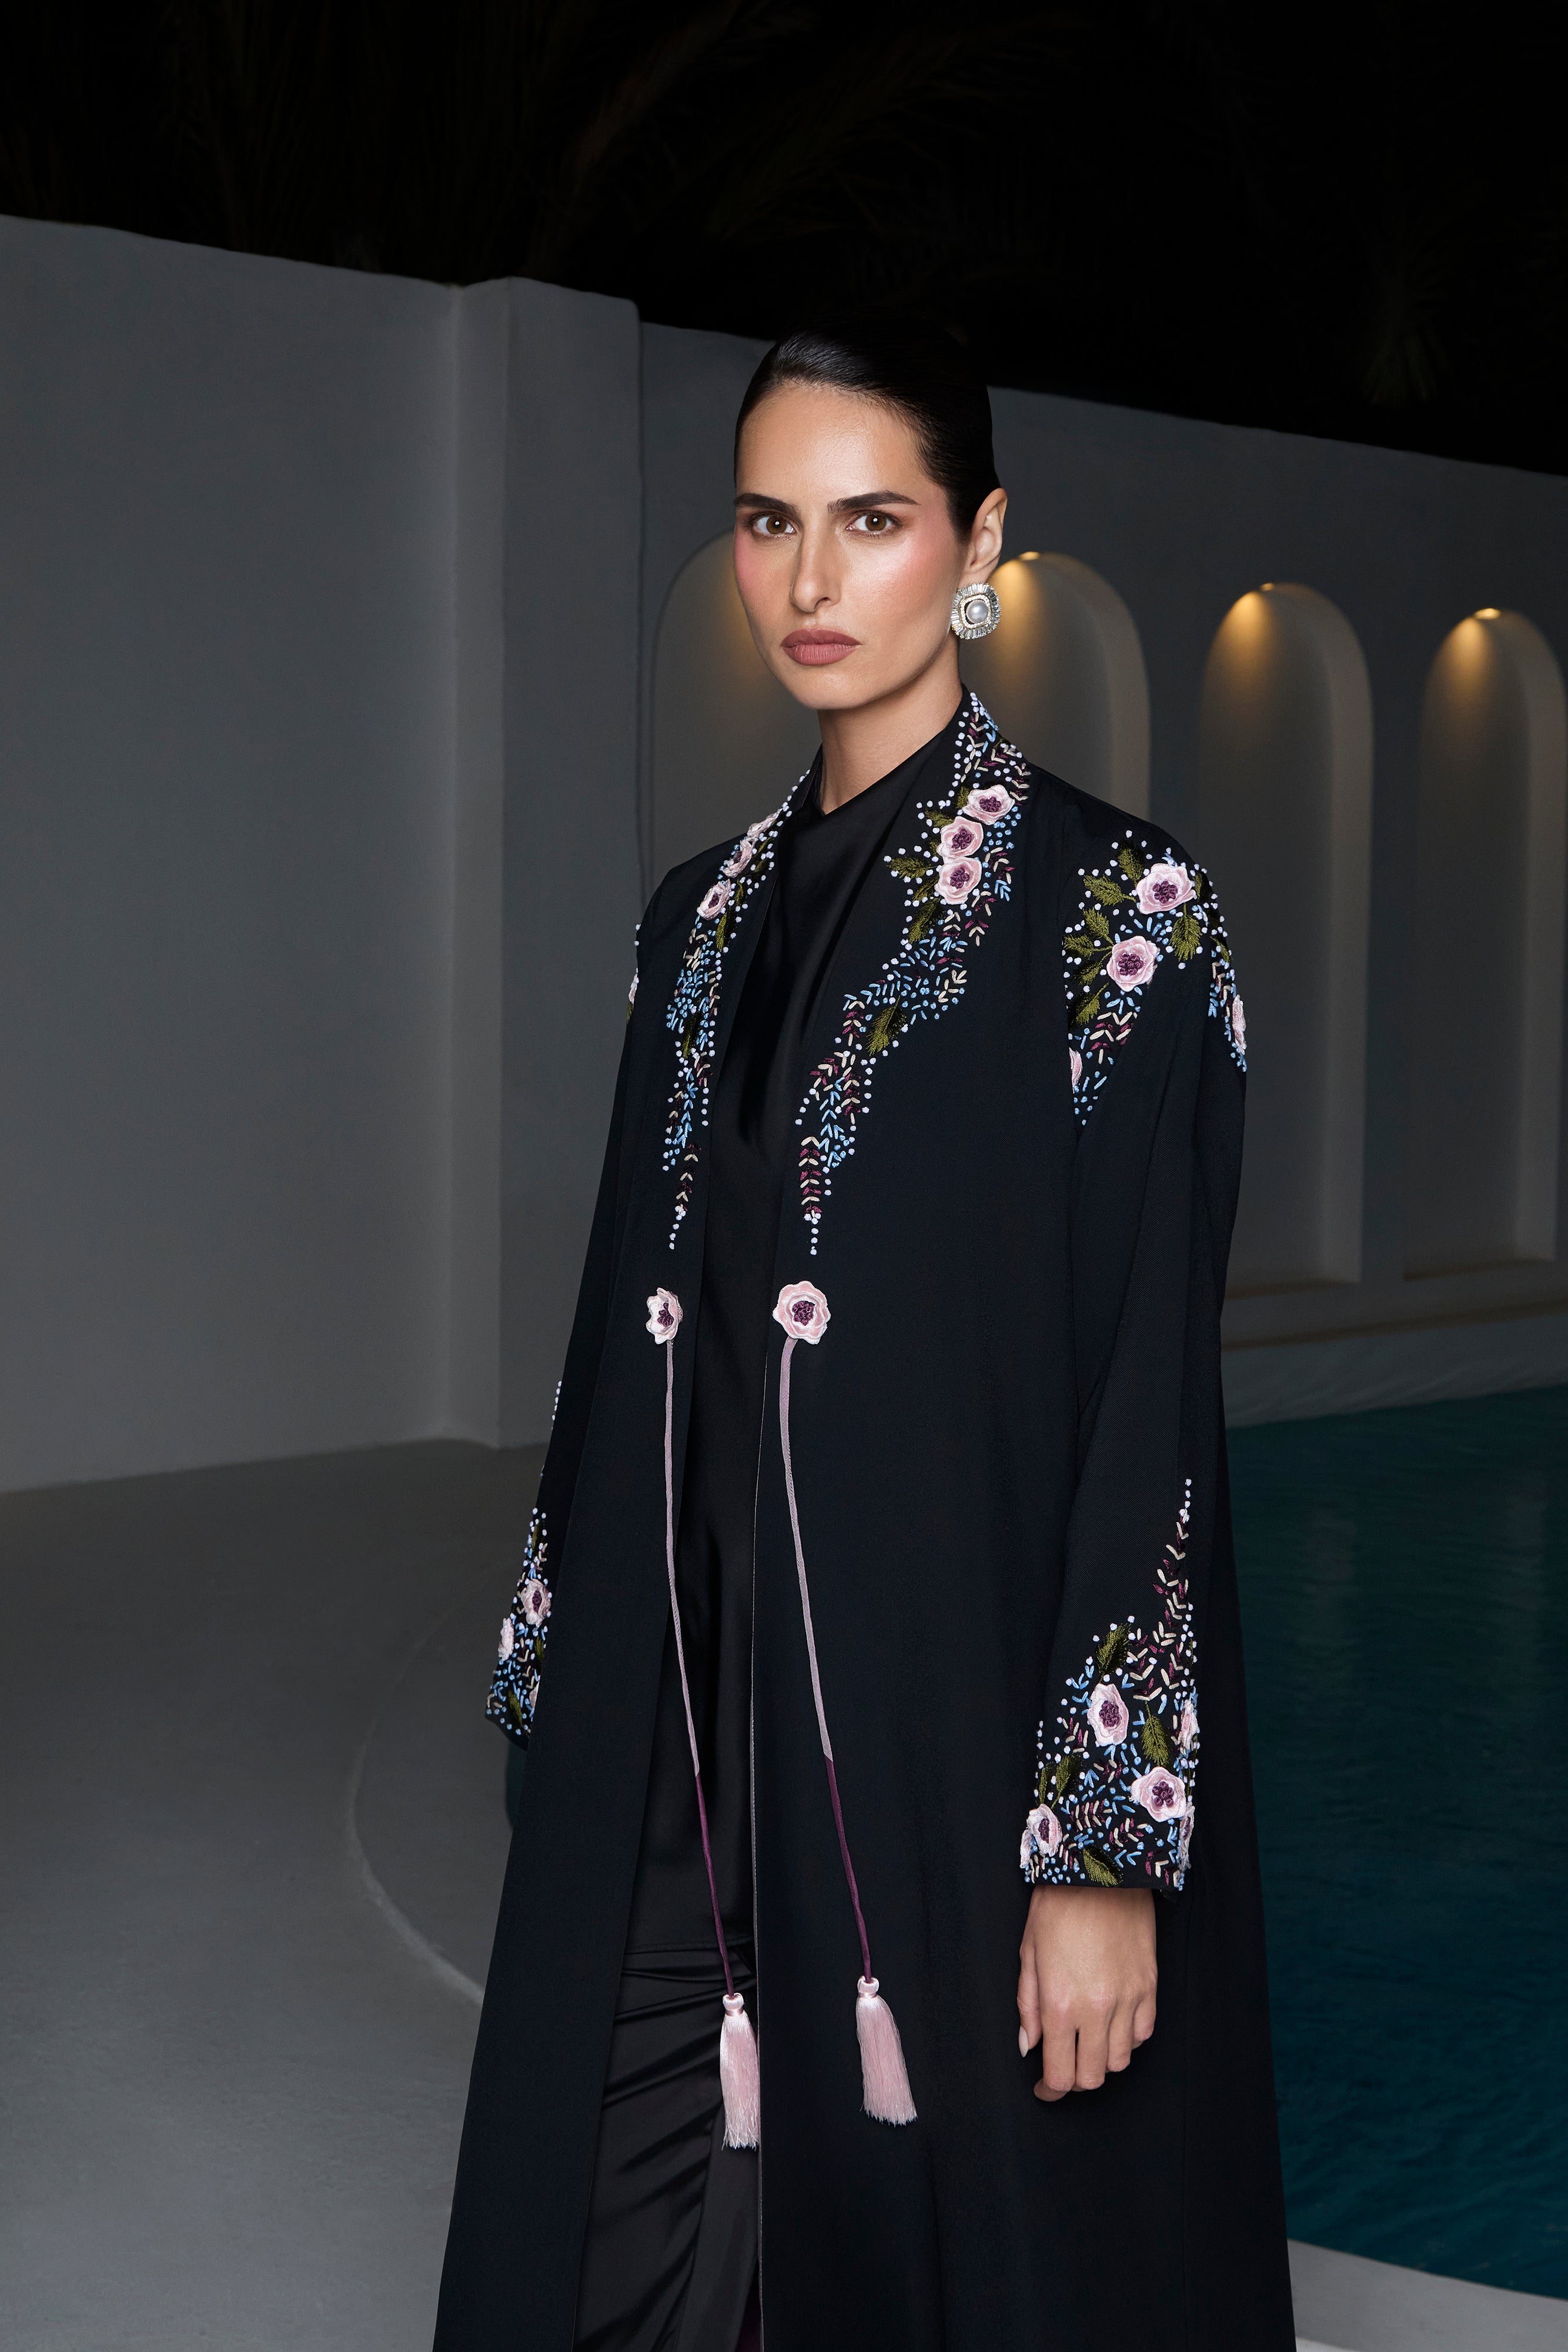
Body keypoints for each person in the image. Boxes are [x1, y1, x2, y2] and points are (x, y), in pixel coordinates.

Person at [433, 323, 1294, 2351]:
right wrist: (554, 1687)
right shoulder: (692, 920)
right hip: (672, 1730)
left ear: (977, 543)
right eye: (767, 524)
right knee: (606, 2237)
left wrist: (1099, 1846)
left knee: (942, 2256)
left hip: (939, 1746)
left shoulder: (1120, 918)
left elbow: (1146, 1411)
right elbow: (618, 1337)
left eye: (871, 521)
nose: (810, 582)